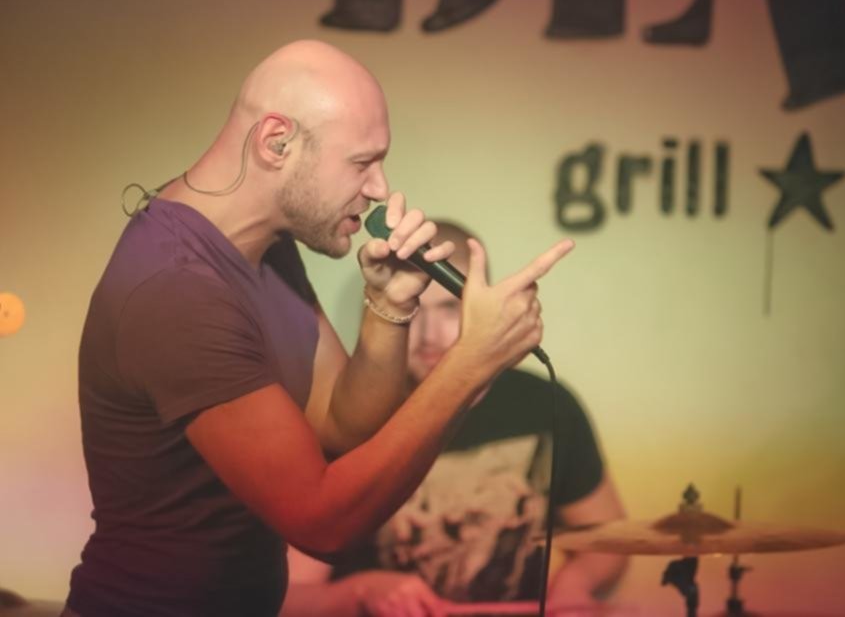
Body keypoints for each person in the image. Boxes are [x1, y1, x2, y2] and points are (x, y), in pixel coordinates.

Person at [64, 41, 573, 617]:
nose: (380, 188)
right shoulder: (178, 290)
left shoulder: (262, 244)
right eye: (361, 163)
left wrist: (388, 307)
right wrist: (470, 364)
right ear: (276, 142)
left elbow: (341, 426)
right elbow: (322, 524)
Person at [281, 222, 627, 616]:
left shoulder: (545, 404)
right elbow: (291, 595)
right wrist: (362, 591)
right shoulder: (347, 416)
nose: (430, 334)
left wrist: (573, 589)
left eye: (449, 307)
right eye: (414, 306)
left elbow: (607, 541)